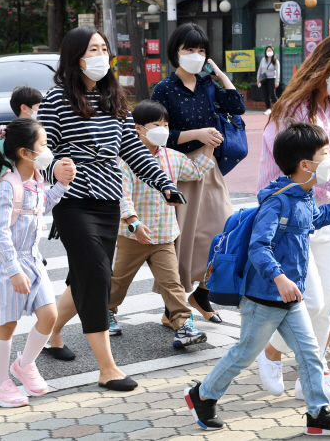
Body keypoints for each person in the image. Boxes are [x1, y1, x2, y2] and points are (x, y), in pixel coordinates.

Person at [184, 122, 330, 437]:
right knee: (243, 354)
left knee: (308, 354)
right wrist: (279, 277)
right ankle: (202, 395)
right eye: (324, 154)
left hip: (290, 300)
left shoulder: (303, 196)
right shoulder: (277, 202)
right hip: (263, 298)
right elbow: (258, 248)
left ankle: (318, 416)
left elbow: (314, 220)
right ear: (306, 165)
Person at [38, 26, 178, 391]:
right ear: (75, 57)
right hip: (73, 202)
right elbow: (41, 149)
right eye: (92, 49)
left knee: (83, 277)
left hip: (107, 202)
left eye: (104, 48)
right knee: (99, 277)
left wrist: (164, 184)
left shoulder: (113, 97)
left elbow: (131, 148)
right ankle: (107, 368)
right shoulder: (55, 99)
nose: (101, 55)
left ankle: (51, 333)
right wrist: (54, 167)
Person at [256, 34, 330, 401]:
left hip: (320, 215)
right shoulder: (292, 109)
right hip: (289, 215)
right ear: (325, 66)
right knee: (312, 302)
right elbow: (296, 165)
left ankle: (312, 377)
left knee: (327, 304)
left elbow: (328, 162)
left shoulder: (327, 110)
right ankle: (271, 350)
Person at [151, 23, 245, 325]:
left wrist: (220, 75)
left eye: (201, 50)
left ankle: (201, 294)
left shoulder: (207, 85)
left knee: (223, 232)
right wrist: (199, 133)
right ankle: (173, 307)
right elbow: (158, 134)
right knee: (183, 240)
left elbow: (237, 106)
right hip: (178, 170)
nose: (195, 55)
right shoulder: (164, 89)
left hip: (209, 167)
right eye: (189, 49)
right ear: (175, 52)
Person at [0, 119, 74, 407]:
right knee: (6, 325)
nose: (48, 150)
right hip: (8, 263)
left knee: (50, 315)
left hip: (33, 259)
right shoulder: (7, 186)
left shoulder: (36, 178)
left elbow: (41, 206)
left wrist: (61, 186)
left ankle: (25, 364)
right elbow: (1, 233)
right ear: (24, 152)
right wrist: (13, 271)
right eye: (43, 145)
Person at [108, 100, 213, 347]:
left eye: (166, 124)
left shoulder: (173, 158)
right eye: (157, 124)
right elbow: (122, 194)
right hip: (133, 235)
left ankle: (182, 324)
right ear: (138, 128)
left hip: (165, 235)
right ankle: (107, 310)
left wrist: (208, 147)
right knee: (120, 280)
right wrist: (134, 223)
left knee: (172, 283)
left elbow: (196, 172)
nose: (163, 129)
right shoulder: (125, 160)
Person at [256, 46, 280, 115]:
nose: (269, 52)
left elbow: (278, 71)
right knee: (265, 95)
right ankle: (268, 109)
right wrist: (258, 79)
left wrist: (277, 81)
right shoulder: (263, 59)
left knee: (272, 94)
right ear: (265, 52)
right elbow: (260, 69)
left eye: (270, 50)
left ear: (273, 51)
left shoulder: (275, 60)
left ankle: (279, 107)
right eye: (267, 50)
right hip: (264, 79)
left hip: (271, 78)